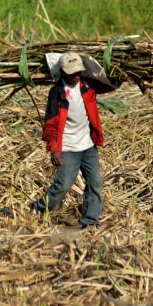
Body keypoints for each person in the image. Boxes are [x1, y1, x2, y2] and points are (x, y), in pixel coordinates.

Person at [30, 52, 116, 228]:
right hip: (68, 147)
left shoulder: (88, 86)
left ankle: (90, 221)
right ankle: (37, 209)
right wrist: (54, 148)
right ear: (62, 72)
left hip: (88, 145)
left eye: (79, 71)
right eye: (71, 72)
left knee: (95, 184)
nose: (76, 75)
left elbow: (109, 85)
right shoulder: (57, 92)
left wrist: (105, 68)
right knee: (62, 186)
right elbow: (51, 123)